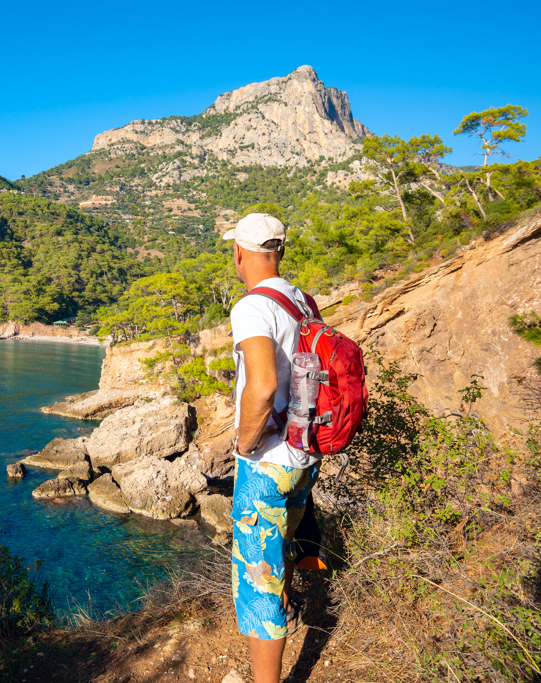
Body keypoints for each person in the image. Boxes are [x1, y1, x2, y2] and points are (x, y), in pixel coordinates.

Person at [224, 213, 321, 683]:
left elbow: (262, 387)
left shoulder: (251, 307)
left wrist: (243, 445)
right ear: (278, 251)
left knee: (258, 580)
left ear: (239, 253)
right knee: (278, 551)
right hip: (306, 456)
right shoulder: (303, 301)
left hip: (267, 462)